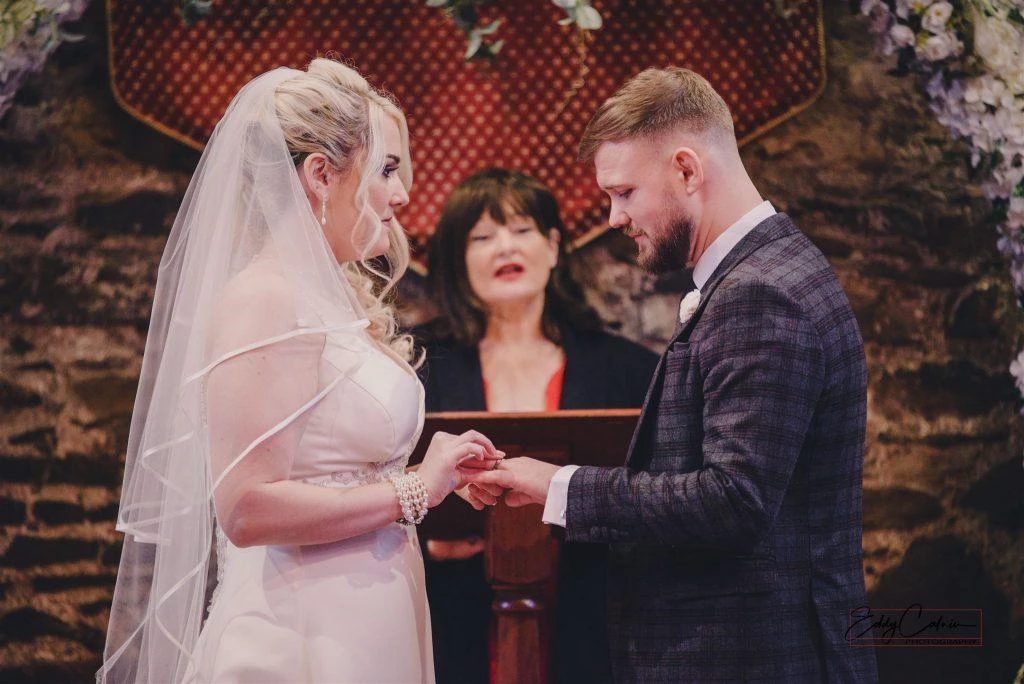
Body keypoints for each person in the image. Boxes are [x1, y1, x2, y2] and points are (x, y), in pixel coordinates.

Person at [98, 60, 500, 684]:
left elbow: (339, 462)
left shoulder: (327, 295)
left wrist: (435, 470)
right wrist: (416, 487)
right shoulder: (267, 296)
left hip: (369, 613)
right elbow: (247, 508)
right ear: (320, 175)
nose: (402, 195)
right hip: (304, 629)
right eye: (387, 169)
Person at [472, 68, 880, 682]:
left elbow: (732, 500)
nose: (613, 216)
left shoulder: (761, 293)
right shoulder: (764, 271)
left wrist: (557, 485)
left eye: (625, 192)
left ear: (687, 170)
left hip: (759, 658)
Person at [416, 168, 657, 683]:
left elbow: (655, 496)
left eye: (522, 230)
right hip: (453, 617)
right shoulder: (418, 371)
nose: (505, 247)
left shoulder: (627, 370)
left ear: (552, 245)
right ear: (460, 258)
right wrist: (428, 536)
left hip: (591, 620)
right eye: (483, 237)